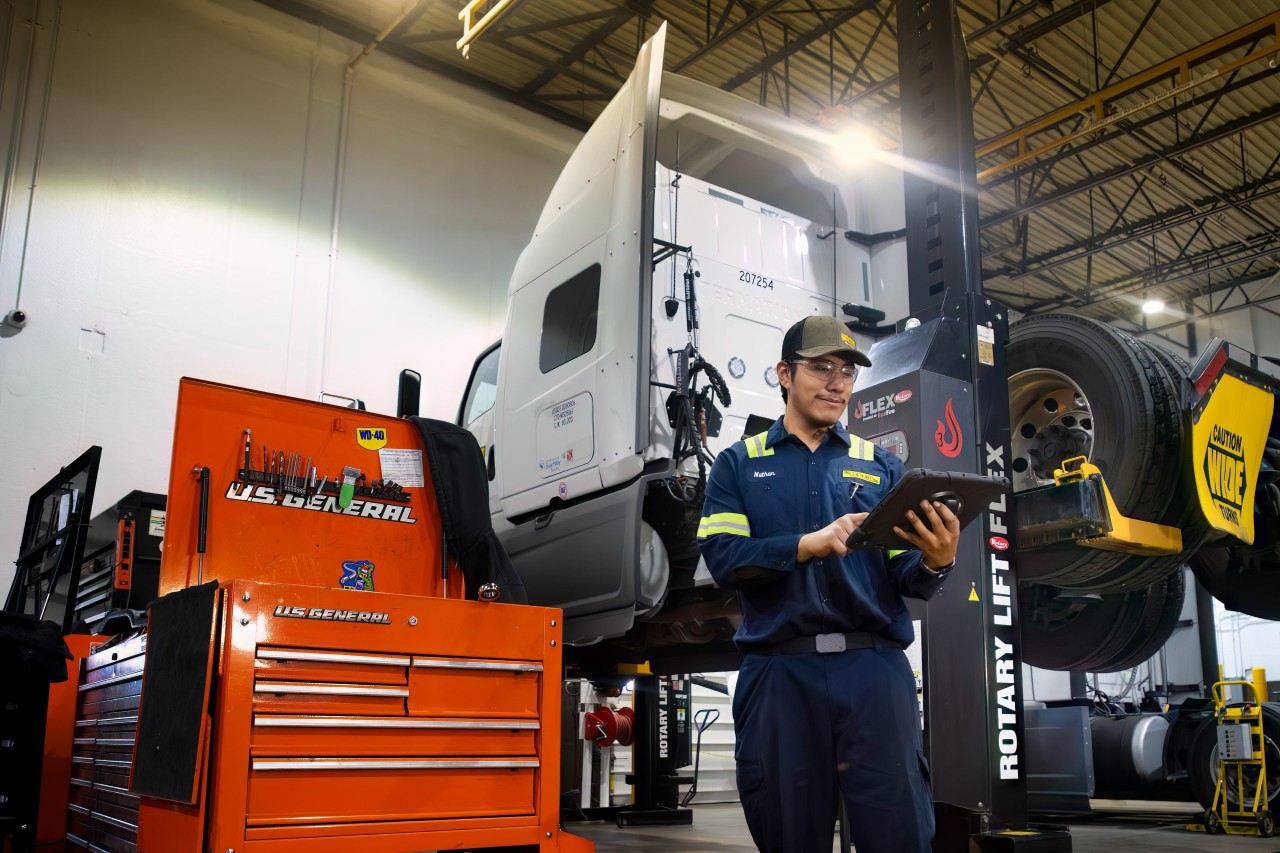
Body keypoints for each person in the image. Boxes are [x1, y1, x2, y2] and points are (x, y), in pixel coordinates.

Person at [698, 315, 959, 853]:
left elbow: (905, 574)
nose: (837, 383)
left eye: (847, 372)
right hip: (779, 675)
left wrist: (937, 560)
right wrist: (805, 544)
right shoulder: (738, 465)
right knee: (788, 832)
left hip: (874, 673)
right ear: (784, 374)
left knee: (901, 833)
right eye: (821, 368)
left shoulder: (882, 467)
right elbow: (724, 559)